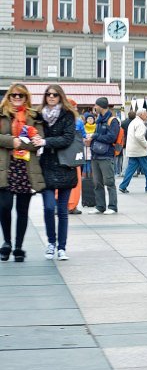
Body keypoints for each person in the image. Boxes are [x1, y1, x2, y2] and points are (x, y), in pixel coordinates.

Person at [32, 85, 78, 261]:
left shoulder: (67, 115)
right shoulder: (39, 115)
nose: (51, 97)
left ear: (60, 97)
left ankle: (62, 247)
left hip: (65, 165)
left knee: (63, 210)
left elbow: (67, 139)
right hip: (45, 166)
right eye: (48, 94)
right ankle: (51, 243)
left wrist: (44, 142)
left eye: (55, 94)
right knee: (49, 207)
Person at [0, 84, 45, 262]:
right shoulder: (2, 114)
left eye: (21, 95)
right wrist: (13, 141)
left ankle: (18, 247)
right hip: (6, 167)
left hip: (26, 168)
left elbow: (37, 141)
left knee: (22, 210)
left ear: (26, 98)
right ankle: (7, 242)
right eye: (14, 95)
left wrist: (21, 143)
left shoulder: (33, 117)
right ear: (9, 97)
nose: (17, 98)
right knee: (4, 206)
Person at [85, 97, 120, 215]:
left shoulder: (112, 120)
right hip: (95, 155)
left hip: (106, 155)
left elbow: (112, 137)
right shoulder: (99, 119)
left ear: (101, 106)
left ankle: (113, 206)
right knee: (97, 183)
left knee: (109, 182)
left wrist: (95, 136)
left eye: (96, 105)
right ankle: (100, 206)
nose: (94, 107)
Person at [118, 109, 147, 194]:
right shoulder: (140, 123)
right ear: (141, 114)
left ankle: (123, 186)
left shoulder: (133, 122)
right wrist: (146, 144)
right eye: (146, 114)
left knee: (130, 169)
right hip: (140, 150)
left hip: (132, 149)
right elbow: (139, 136)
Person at [67, 100, 86, 215]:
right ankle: (72, 206)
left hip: (65, 155)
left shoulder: (61, 120)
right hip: (74, 155)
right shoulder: (78, 121)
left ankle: (67, 205)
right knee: (75, 180)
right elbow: (83, 137)